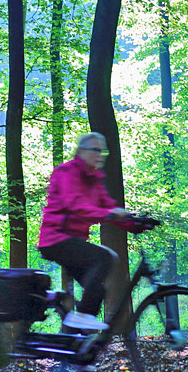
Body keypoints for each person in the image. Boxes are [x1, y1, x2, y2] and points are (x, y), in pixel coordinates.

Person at [38, 132, 131, 331]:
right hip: (55, 239)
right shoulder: (66, 173)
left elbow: (109, 207)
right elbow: (76, 206)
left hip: (72, 242)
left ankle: (69, 345)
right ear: (81, 152)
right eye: (95, 150)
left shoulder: (94, 179)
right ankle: (80, 318)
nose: (100, 154)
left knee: (97, 292)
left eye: (103, 151)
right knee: (106, 257)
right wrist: (110, 214)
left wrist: (136, 223)